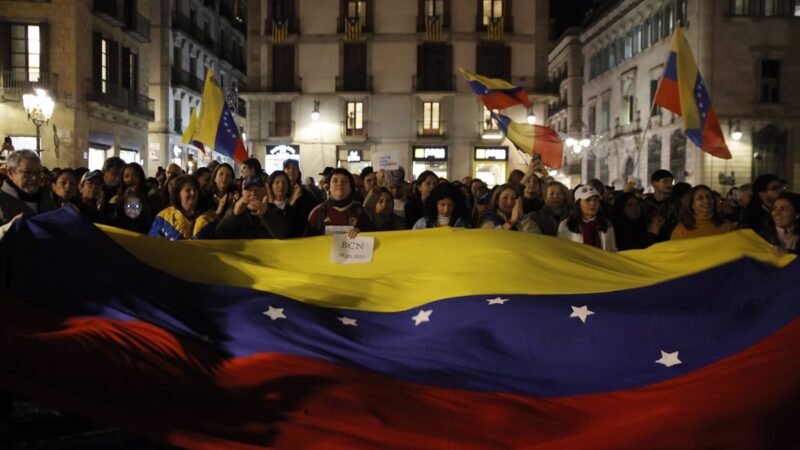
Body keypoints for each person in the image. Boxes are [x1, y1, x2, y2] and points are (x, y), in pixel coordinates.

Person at [0, 150, 58, 239]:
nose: (34, 178)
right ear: (11, 173)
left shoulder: (45, 197)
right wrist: (7, 228)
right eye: (27, 173)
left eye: (38, 172)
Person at [216, 174, 291, 239]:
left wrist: (266, 213)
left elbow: (283, 234)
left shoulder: (273, 209)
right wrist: (233, 214)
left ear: (264, 192)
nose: (253, 193)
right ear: (242, 192)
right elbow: (219, 235)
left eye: (257, 189)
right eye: (249, 190)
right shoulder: (233, 209)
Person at [305, 168, 374, 237]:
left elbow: (375, 237)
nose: (340, 184)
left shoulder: (362, 212)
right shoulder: (317, 213)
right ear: (328, 187)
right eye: (335, 181)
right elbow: (306, 243)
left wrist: (362, 234)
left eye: (344, 181)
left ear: (351, 188)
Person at [149, 175, 217, 240]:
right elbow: (153, 243)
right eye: (188, 190)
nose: (193, 193)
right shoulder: (164, 218)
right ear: (178, 194)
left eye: (195, 189)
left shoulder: (209, 217)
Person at [558, 185, 616, 251]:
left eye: (596, 200)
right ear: (578, 203)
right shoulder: (566, 225)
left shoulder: (606, 224)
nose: (593, 203)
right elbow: (562, 250)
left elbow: (612, 249)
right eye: (588, 200)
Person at [671, 185, 735, 240]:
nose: (706, 201)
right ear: (692, 204)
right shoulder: (681, 230)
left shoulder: (727, 226)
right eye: (700, 198)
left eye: (709, 197)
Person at [643, 169, 681, 242]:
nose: (670, 185)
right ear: (655, 183)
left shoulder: (676, 204)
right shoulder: (644, 204)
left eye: (671, 181)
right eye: (665, 181)